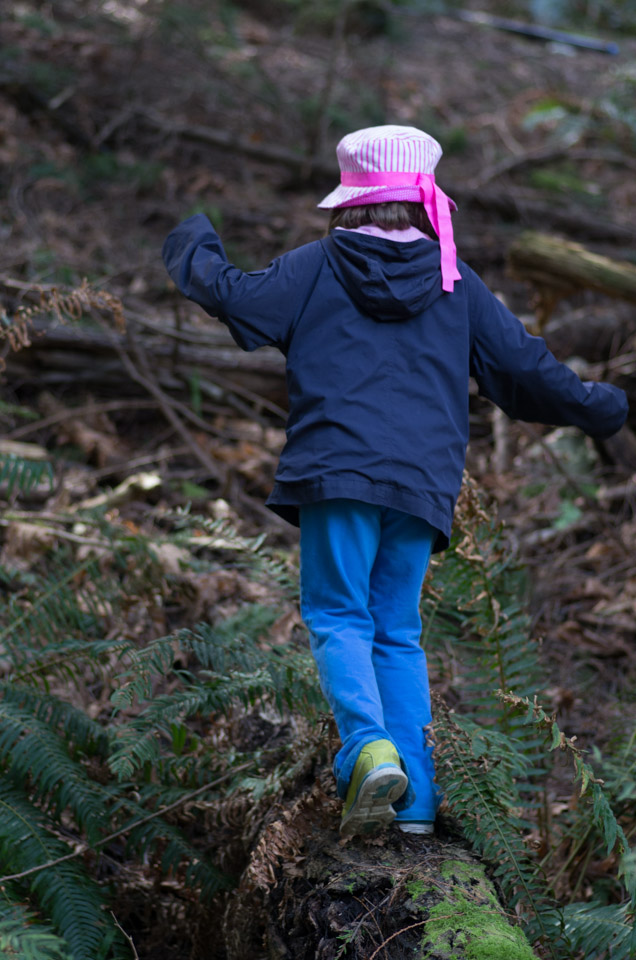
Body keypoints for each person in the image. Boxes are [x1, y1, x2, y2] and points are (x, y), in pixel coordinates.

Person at [162, 125, 628, 839]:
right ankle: (412, 806)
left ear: (349, 200)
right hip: (421, 485)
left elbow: (233, 297)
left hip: (337, 473)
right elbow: (533, 379)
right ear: (423, 200)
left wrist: (192, 237)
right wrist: (614, 405)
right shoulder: (455, 281)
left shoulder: (317, 266)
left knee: (338, 616)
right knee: (398, 633)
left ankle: (367, 750)